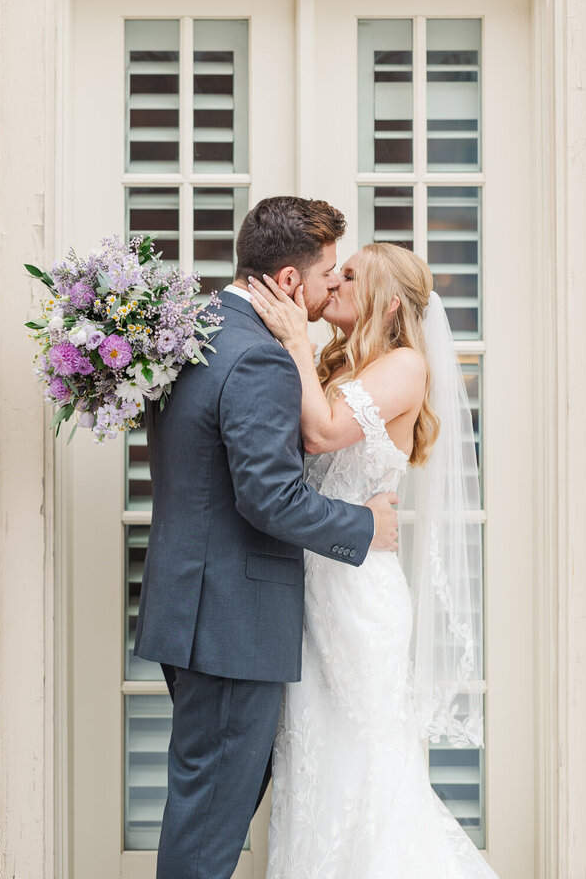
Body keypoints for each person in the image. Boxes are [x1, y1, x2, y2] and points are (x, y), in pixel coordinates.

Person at [133, 197, 400, 879]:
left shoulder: (190, 329)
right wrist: (366, 526)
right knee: (210, 823)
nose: (328, 288)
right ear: (288, 281)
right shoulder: (259, 359)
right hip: (229, 624)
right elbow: (269, 498)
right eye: (325, 274)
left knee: (212, 802)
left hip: (196, 610)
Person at [248, 241, 501, 878]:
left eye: (349, 276)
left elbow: (325, 432)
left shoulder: (406, 365)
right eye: (332, 274)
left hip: (360, 596)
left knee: (364, 756)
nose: (331, 284)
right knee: (315, 755)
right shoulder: (338, 362)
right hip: (310, 586)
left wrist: (296, 345)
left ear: (388, 303)